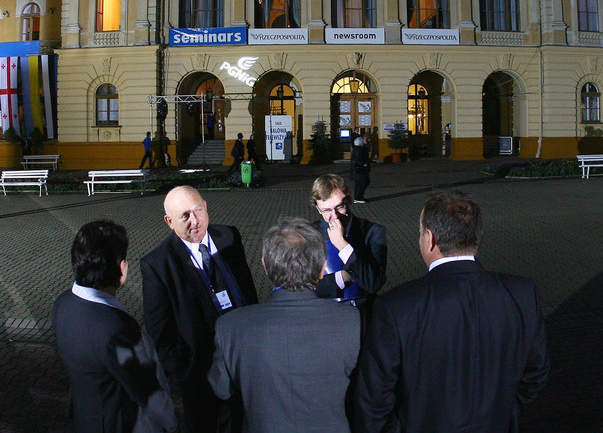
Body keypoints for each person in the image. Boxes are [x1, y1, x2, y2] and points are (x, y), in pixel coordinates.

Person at [354, 190, 548, 432]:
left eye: (420, 233)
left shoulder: (397, 306)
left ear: (430, 238)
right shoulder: (522, 293)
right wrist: (503, 413)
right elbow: (535, 375)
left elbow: (372, 401)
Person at [208, 217, 360, 433]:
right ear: (322, 268)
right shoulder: (353, 321)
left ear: (265, 266)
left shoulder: (230, 327)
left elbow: (222, 390)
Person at [140, 186, 258, 433]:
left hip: (243, 363)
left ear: (206, 206)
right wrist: (188, 373)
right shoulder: (158, 264)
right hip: (200, 376)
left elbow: (248, 292)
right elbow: (159, 330)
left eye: (197, 211)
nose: (194, 221)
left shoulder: (230, 237)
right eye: (184, 216)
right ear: (169, 222)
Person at [51, 220, 177, 433]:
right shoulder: (117, 328)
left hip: (85, 417)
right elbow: (146, 391)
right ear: (121, 268)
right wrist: (172, 422)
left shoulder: (62, 303)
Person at [311, 174, 387, 317]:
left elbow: (374, 283)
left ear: (349, 199)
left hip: (363, 314)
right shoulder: (308, 234)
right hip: (322, 314)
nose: (334, 216)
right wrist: (343, 277)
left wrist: (343, 246)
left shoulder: (373, 231)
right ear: (317, 208)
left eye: (340, 207)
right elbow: (302, 288)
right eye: (326, 210)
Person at [349, 132, 372, 202]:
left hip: (359, 170)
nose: (367, 141)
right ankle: (358, 198)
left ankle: (358, 197)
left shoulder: (359, 149)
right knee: (362, 183)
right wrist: (364, 164)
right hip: (358, 170)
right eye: (365, 140)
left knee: (361, 183)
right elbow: (358, 160)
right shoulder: (358, 150)